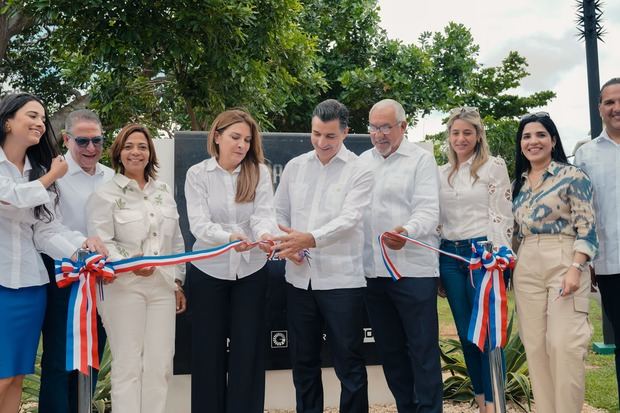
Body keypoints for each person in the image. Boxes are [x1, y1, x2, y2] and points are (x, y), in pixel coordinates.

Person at [0, 93, 105, 413]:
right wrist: (51, 178)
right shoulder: (48, 174)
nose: (39, 123)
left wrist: (81, 247)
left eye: (42, 118)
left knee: (16, 377)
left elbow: (46, 230)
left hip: (32, 286)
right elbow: (11, 198)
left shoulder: (39, 169)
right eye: (32, 116)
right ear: (8, 121)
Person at [274, 99, 373, 413]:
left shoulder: (360, 169)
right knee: (303, 362)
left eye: (330, 136)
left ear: (345, 132)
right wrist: (289, 246)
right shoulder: (295, 167)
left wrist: (310, 239)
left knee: (349, 363)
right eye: (316, 134)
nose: (321, 142)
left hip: (343, 281)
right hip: (298, 281)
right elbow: (278, 212)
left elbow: (350, 219)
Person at [86, 123, 186, 413]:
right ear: (119, 152)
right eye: (129, 146)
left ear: (150, 153)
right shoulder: (105, 194)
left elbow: (176, 240)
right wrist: (133, 264)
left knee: (160, 365)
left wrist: (178, 281)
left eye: (142, 146)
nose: (136, 152)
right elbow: (101, 242)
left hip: (162, 288)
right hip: (122, 287)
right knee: (128, 365)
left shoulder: (164, 191)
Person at [184, 109, 277, 413]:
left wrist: (264, 236)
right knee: (207, 354)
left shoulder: (260, 172)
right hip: (207, 273)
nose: (241, 145)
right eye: (235, 137)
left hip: (251, 272)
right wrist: (231, 238)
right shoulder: (197, 174)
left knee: (247, 354)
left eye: (247, 140)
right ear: (217, 136)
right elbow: (198, 225)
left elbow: (265, 216)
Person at [360, 99, 442, 413]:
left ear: (403, 127)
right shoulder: (362, 162)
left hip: (413, 273)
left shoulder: (421, 160)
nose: (379, 134)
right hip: (374, 274)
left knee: (422, 352)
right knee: (391, 354)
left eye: (385, 127)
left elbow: (427, 210)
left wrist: (405, 232)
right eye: (374, 127)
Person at [512, 112, 597, 413]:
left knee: (563, 345)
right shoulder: (518, 186)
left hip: (565, 258)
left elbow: (587, 227)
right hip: (527, 263)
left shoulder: (573, 176)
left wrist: (576, 268)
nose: (533, 141)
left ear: (553, 140)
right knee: (535, 348)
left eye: (540, 135)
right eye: (526, 136)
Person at [437, 107, 513, 413]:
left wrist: (498, 258)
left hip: (483, 257)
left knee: (489, 336)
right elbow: (437, 220)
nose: (461, 138)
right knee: (467, 335)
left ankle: (497, 403)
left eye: (467, 132)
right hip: (450, 256)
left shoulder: (493, 167)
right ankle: (483, 403)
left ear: (478, 135)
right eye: (456, 133)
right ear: (449, 136)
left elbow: (502, 214)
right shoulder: (440, 173)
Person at [39, 109, 114, 413]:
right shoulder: (54, 174)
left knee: (92, 358)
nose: (91, 148)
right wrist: (80, 247)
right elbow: (45, 229)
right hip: (64, 278)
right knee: (59, 361)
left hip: (103, 282)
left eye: (97, 140)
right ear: (67, 139)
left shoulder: (112, 177)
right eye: (82, 141)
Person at [574, 77, 620, 408]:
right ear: (600, 108)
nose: (616, 108)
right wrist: (586, 259)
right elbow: (582, 212)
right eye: (609, 102)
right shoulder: (586, 155)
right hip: (612, 264)